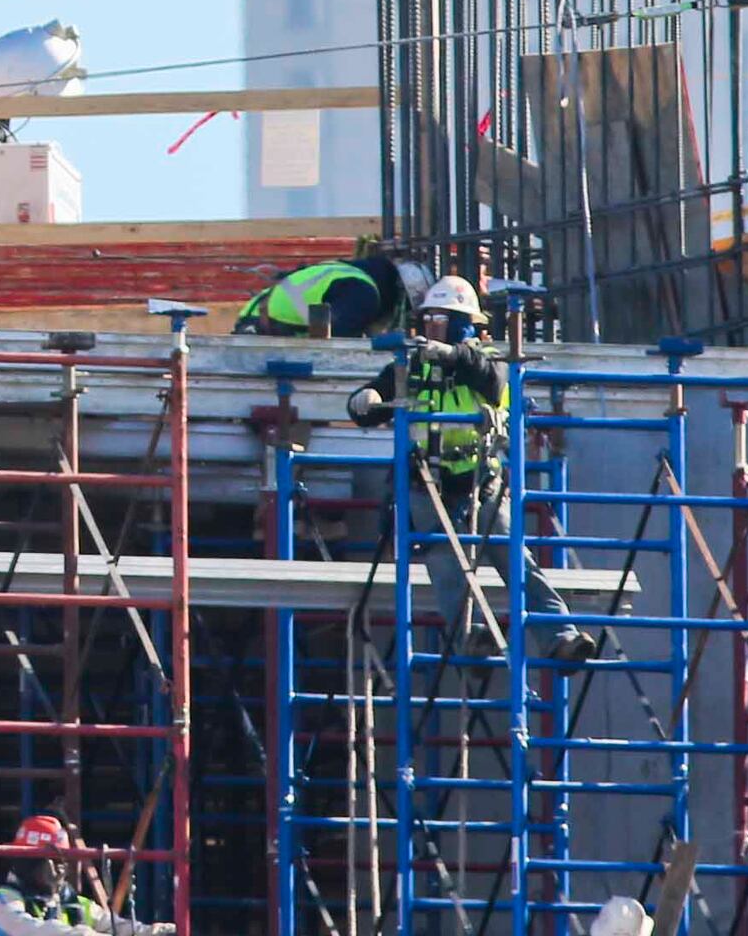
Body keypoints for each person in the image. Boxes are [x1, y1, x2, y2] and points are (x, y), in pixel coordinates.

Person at [347, 275, 603, 666]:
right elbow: (373, 403)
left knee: (515, 562)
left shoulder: (488, 362)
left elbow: (490, 379)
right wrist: (365, 400)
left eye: (441, 317)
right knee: (446, 563)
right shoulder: (412, 365)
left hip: (481, 482)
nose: (432, 324)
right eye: (429, 316)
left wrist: (450, 355)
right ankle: (473, 636)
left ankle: (561, 636)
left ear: (464, 322)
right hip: (427, 484)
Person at [0, 814, 175, 936]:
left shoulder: (75, 904)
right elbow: (34, 931)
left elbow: (116, 927)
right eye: (51, 860)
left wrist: (158, 932)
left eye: (63, 861)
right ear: (25, 862)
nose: (60, 868)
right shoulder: (1, 901)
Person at [236, 248, 430, 338]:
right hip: (264, 330)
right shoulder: (364, 294)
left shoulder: (352, 274)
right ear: (399, 296)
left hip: (256, 319)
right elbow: (333, 346)